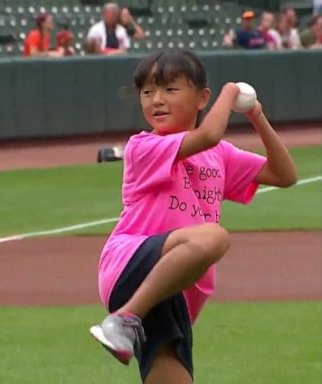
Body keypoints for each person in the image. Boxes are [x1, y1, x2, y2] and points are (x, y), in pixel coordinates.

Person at [89, 49, 297, 383]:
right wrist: (231, 93)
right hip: (131, 263)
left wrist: (256, 114)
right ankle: (124, 319)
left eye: (170, 89)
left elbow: (285, 175)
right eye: (147, 91)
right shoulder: (143, 147)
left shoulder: (220, 156)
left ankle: (129, 322)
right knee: (213, 236)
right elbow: (208, 135)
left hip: (174, 293)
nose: (156, 100)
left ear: (202, 98)